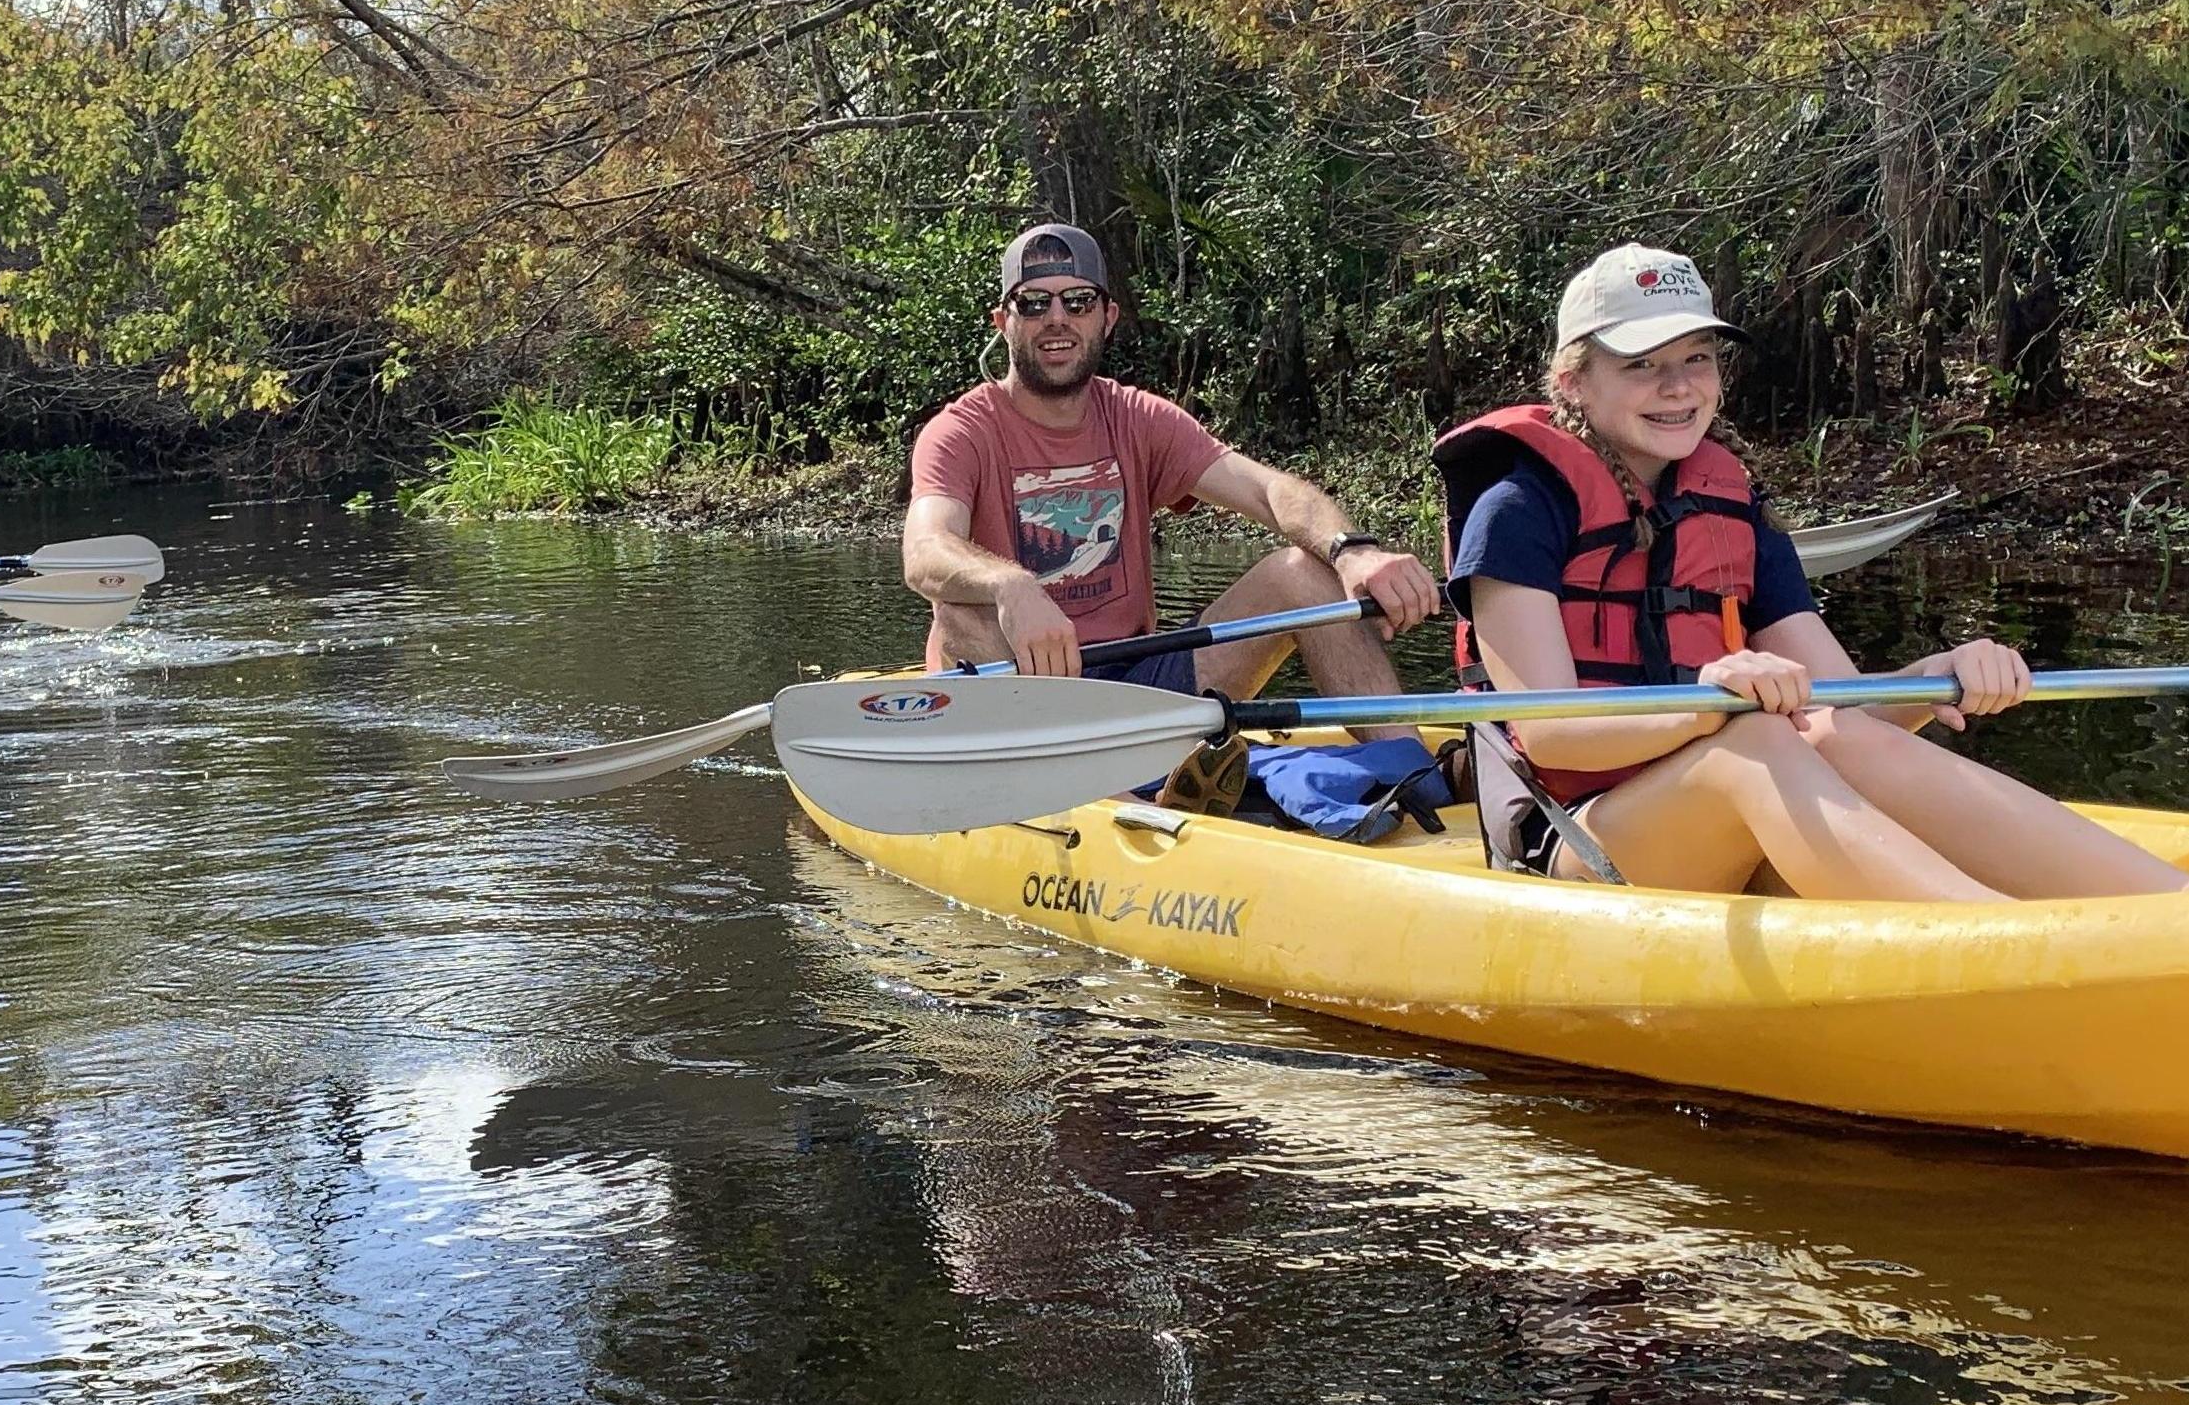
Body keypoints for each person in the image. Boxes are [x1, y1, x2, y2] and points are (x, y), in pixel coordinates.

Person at [1437, 244, 2185, 901]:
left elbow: (1841, 710)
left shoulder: (1730, 511)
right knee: (1757, 744)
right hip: (1575, 839)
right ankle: (2011, 949)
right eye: (1640, 364)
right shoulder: (1516, 511)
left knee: (1834, 740)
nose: (1677, 386)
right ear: (1573, 381)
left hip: (1725, 805)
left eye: (1695, 358)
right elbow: (1554, 737)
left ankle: (2165, 907)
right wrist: (1712, 707)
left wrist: (1940, 672)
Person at [902, 223, 1441, 725]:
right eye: (1035, 303)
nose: (1057, 318)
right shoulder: (960, 431)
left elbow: (1268, 489)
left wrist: (1353, 550)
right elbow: (925, 550)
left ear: (1107, 317)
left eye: (1079, 301)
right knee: (958, 609)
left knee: (1302, 569)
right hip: (1019, 689)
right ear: (1005, 322)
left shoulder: (1139, 417)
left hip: (1137, 681)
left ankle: (1414, 777)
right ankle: (1097, 786)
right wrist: (1010, 584)